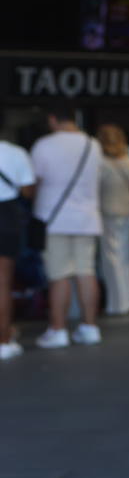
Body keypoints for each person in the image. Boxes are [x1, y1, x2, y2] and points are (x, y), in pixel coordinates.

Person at [31, 107, 103, 348]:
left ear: (53, 119)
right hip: (88, 218)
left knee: (58, 275)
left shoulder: (43, 145)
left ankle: (58, 329)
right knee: (86, 272)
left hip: (54, 219)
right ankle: (90, 327)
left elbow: (34, 182)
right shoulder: (93, 144)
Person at [96, 125, 129, 316]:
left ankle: (116, 303)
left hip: (107, 213)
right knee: (125, 257)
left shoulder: (99, 163)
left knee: (111, 259)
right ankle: (127, 300)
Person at [0, 135, 36, 360]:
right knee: (2, 282)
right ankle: (3, 341)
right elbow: (27, 191)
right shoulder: (15, 152)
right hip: (6, 216)